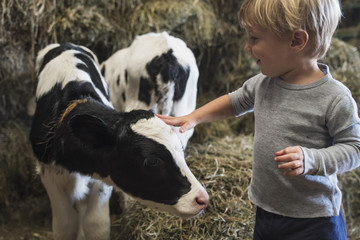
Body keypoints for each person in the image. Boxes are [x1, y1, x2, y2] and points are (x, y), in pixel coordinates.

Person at [156, 0, 360, 239]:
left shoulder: (335, 98)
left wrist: (312, 159)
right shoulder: (264, 83)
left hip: (314, 221)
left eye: (254, 38)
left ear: (296, 41)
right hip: (267, 210)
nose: (246, 47)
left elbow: (354, 149)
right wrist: (194, 117)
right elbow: (235, 102)